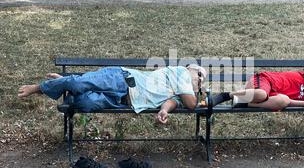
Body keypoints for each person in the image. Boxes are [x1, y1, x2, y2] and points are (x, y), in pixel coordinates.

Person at [18, 64, 208, 125]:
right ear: (191, 69)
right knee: (78, 83)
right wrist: (198, 98)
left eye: (201, 82)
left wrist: (163, 112)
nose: (199, 82)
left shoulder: (179, 93)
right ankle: (39, 88)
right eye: (199, 76)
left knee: (83, 103)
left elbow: (171, 103)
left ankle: (65, 82)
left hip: (124, 100)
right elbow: (192, 104)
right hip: (121, 78)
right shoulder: (181, 72)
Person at [213, 70, 304, 111]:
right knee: (261, 94)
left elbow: (287, 102)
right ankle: (227, 95)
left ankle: (243, 102)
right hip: (265, 81)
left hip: (264, 98)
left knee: (284, 101)